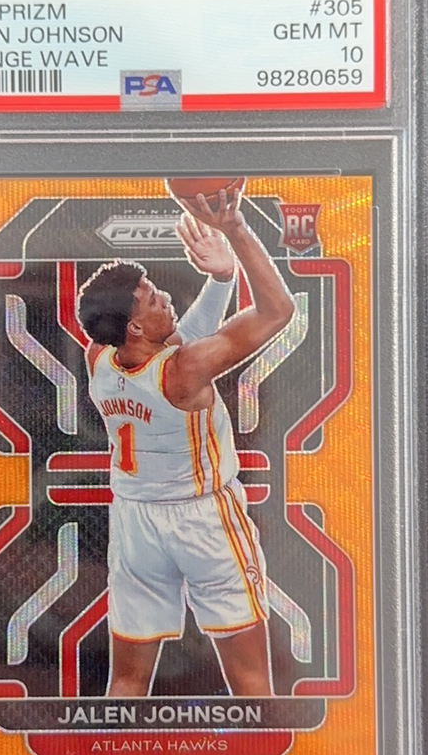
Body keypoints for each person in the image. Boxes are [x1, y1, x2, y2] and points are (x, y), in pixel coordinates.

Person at [77, 187, 295, 697]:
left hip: (135, 522)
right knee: (251, 678)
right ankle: (264, 752)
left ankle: (113, 748)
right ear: (135, 325)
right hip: (203, 521)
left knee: (126, 679)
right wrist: (235, 231)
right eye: (154, 298)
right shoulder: (184, 370)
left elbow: (178, 343)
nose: (166, 298)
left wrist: (221, 279)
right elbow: (277, 310)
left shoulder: (99, 356)